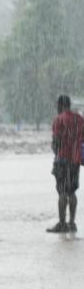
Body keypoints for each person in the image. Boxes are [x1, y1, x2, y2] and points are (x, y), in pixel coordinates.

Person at [48, 95, 84, 233]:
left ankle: (62, 224)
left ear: (60, 105)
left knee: (62, 192)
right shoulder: (79, 118)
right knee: (72, 192)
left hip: (63, 160)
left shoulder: (59, 119)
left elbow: (56, 141)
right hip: (75, 160)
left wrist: (56, 150)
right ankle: (72, 223)